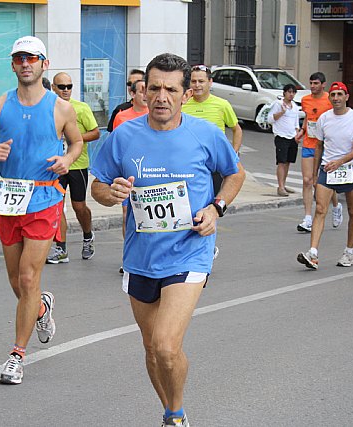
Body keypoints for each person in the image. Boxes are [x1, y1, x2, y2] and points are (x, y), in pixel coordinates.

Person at [91, 53, 245, 427]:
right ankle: (170, 411)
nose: (161, 96)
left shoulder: (204, 134)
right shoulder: (125, 134)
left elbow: (234, 175)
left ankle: (175, 416)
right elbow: (97, 185)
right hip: (140, 255)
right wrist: (109, 193)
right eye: (154, 88)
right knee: (151, 348)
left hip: (189, 252)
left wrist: (216, 208)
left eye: (170, 89)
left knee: (165, 344)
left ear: (185, 93)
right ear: (143, 90)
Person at [0, 36, 83, 385]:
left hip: (44, 198)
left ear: (43, 64)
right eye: (19, 58)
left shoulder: (60, 107)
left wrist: (66, 160)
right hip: (8, 197)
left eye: (32, 58)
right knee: (15, 281)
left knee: (27, 277)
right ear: (12, 65)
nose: (25, 63)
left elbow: (77, 141)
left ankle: (16, 356)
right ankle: (40, 308)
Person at [297, 82, 353, 270]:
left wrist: (340, 162)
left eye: (340, 94)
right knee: (320, 209)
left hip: (349, 168)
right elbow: (319, 146)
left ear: (346, 97)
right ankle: (313, 253)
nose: (336, 98)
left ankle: (349, 251)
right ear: (330, 98)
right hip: (327, 169)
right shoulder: (324, 118)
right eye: (333, 95)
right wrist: (314, 174)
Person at [181, 63, 243, 260]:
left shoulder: (221, 104)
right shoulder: (184, 103)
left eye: (201, 81)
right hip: (188, 164)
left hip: (213, 166)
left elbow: (236, 129)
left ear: (210, 82)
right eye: (194, 81)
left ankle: (208, 244)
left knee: (210, 204)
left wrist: (232, 154)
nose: (197, 85)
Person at [45, 72, 100, 263]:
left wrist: (74, 138)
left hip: (77, 164)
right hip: (55, 166)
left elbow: (95, 133)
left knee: (79, 206)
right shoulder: (46, 108)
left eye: (69, 86)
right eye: (62, 87)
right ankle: (61, 249)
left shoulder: (81, 108)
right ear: (53, 87)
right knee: (56, 207)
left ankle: (87, 236)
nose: (66, 90)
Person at [297, 72, 343, 233]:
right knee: (307, 180)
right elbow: (309, 119)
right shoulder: (305, 100)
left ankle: (336, 206)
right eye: (311, 83)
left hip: (324, 147)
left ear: (323, 85)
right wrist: (302, 132)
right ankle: (307, 218)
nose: (312, 86)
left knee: (323, 182)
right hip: (309, 144)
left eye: (316, 83)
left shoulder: (329, 100)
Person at [111, 79, 149, 274]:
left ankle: (146, 254)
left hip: (150, 175)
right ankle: (129, 256)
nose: (145, 94)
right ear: (133, 94)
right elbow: (115, 148)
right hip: (128, 175)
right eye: (141, 90)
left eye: (146, 90)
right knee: (128, 215)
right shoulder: (122, 117)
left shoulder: (155, 116)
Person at [267, 84, 301, 197]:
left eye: (293, 92)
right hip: (281, 136)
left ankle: (284, 184)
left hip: (292, 137)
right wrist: (281, 112)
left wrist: (297, 134)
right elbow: (270, 119)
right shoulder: (278, 104)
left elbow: (296, 123)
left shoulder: (295, 106)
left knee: (288, 162)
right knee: (281, 162)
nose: (291, 94)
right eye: (289, 92)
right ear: (284, 93)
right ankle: (280, 187)